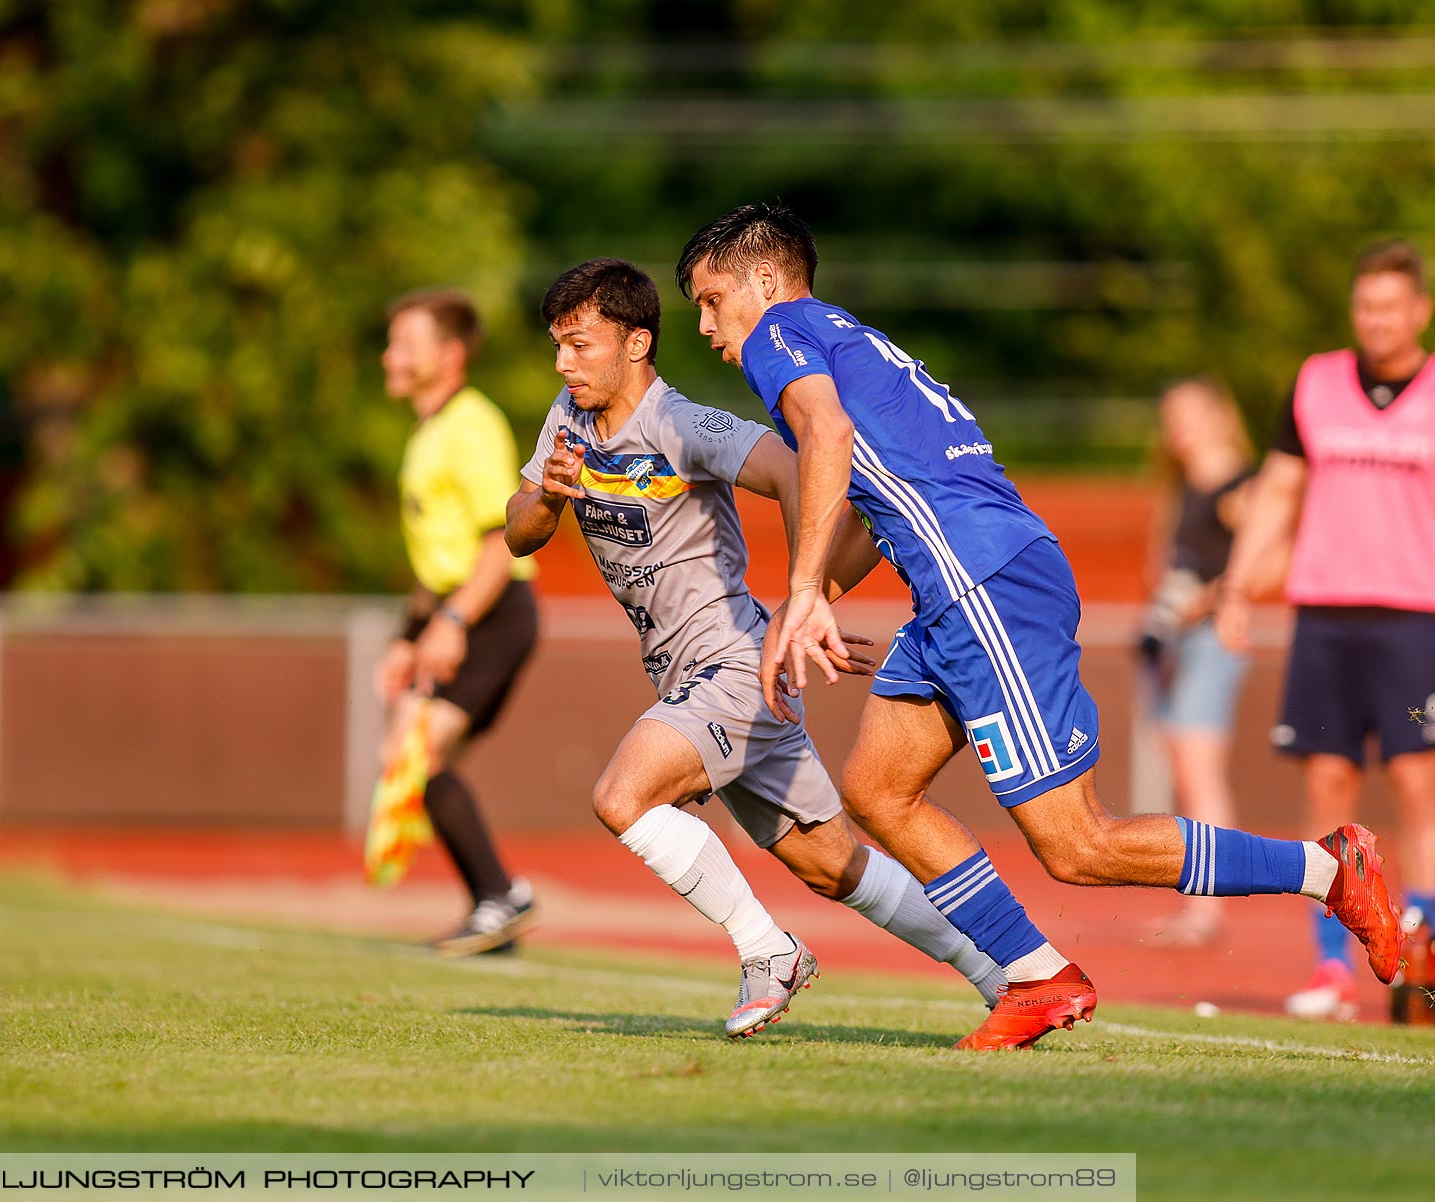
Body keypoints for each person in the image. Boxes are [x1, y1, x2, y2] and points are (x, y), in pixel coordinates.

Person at [675, 201, 1403, 1049]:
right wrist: (810, 598)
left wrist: (801, 591)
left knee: (1077, 845)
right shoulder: (853, 340)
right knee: (878, 789)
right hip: (961, 587)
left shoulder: (781, 333)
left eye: (710, 298)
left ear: (765, 281)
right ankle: (1038, 976)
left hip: (984, 585)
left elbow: (825, 436)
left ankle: (1327, 868)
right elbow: (874, 506)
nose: (704, 324)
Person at [505, 257, 1005, 1039]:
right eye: (557, 346)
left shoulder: (685, 426)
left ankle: (767, 952)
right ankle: (1002, 974)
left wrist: (807, 598)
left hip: (733, 664)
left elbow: (803, 469)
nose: (564, 362)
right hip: (692, 677)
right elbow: (519, 535)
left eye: (579, 344)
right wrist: (547, 494)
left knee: (621, 798)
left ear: (637, 344)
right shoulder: (565, 421)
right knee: (832, 864)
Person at [1217, 239, 1435, 1021]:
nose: (1376, 319)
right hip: (1326, 618)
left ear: (1419, 311)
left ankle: (1424, 953)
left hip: (1417, 622)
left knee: (1421, 783)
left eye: (1391, 305)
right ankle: (1334, 967)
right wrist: (1240, 585)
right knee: (1328, 787)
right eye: (1365, 304)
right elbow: (1277, 491)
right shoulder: (1316, 382)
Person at [377, 288, 537, 955]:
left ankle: (500, 898)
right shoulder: (428, 430)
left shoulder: (471, 424)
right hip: (461, 612)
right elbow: (435, 560)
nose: (389, 356)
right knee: (413, 760)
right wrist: (407, 637)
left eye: (403, 344)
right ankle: (496, 902)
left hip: (492, 613)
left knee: (417, 756)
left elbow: (497, 542)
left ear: (448, 356)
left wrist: (451, 621)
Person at [1137, 377, 1259, 946]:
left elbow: (1262, 561)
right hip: (1180, 640)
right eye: (1170, 417)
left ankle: (1210, 904)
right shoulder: (1183, 484)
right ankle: (1205, 898)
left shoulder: (1240, 483)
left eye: (1187, 415)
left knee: (1199, 769)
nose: (1176, 428)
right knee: (1186, 765)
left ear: (1217, 415)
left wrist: (1202, 604)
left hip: (1213, 639)